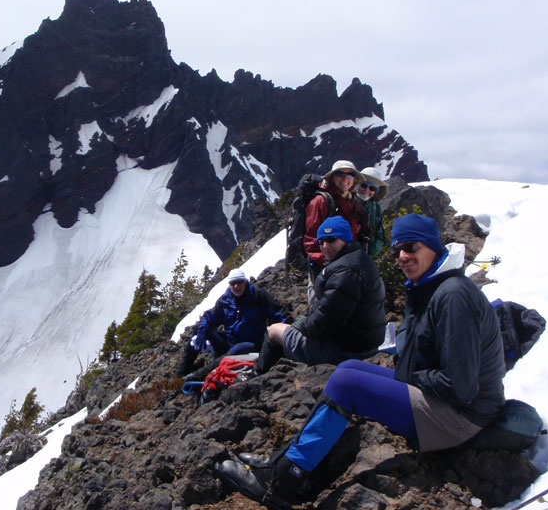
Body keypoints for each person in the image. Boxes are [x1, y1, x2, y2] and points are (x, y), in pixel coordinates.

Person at [215, 213, 505, 508]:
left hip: (461, 417)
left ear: (433, 246)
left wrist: (411, 374)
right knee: (348, 369)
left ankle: (280, 481)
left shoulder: (453, 297)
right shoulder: (433, 287)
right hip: (452, 403)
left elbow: (460, 386)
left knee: (348, 383)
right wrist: (411, 372)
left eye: (412, 247)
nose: (403, 257)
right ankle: (290, 464)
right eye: (397, 251)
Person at [253, 215, 385, 375]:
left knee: (273, 331)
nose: (325, 246)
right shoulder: (358, 260)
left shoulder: (345, 271)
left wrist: (299, 327)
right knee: (288, 330)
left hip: (345, 351)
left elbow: (324, 321)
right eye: (321, 242)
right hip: (360, 344)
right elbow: (326, 309)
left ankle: (257, 375)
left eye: (331, 239)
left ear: (345, 239)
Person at [175, 268, 286, 379]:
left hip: (253, 344)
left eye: (239, 282)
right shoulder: (225, 301)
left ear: (245, 282)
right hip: (230, 341)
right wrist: (201, 332)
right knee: (197, 333)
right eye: (233, 283)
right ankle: (181, 373)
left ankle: (199, 375)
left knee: (238, 348)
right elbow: (210, 317)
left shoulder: (258, 296)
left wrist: (286, 335)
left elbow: (279, 313)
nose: (236, 286)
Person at [303, 160, 365, 274]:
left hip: (351, 266)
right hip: (327, 268)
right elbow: (311, 238)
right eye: (340, 174)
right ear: (332, 178)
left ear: (354, 179)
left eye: (350, 174)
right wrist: (325, 264)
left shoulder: (354, 203)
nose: (345, 179)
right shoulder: (321, 201)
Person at [357, 166, 387, 256]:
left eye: (372, 188)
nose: (367, 190)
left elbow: (380, 234)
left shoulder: (375, 207)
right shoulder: (346, 201)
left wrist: (370, 252)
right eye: (364, 185)